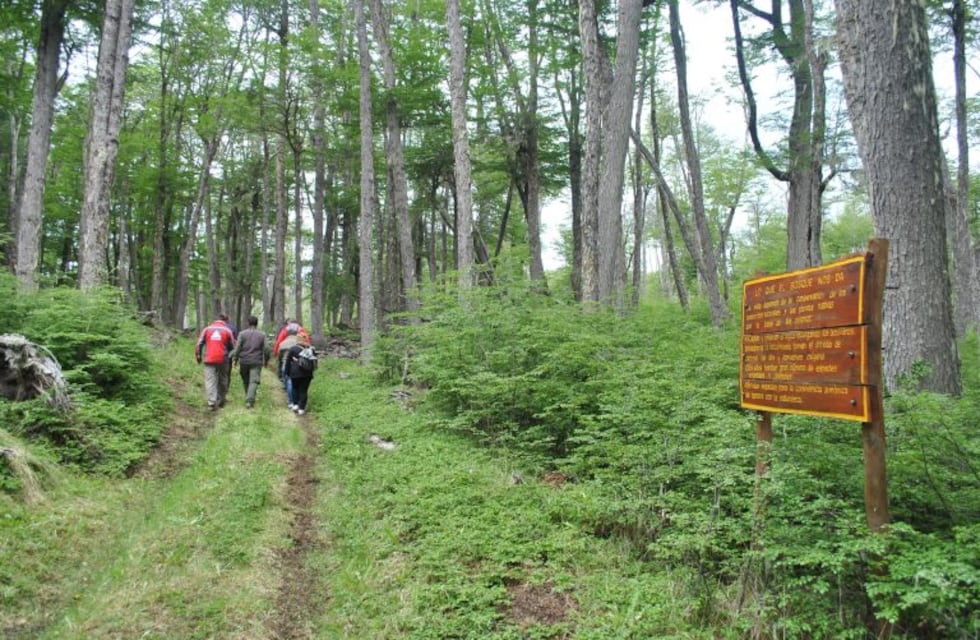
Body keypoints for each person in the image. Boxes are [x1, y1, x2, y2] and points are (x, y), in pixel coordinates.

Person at [195, 313, 236, 411]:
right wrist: (233, 358)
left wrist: (198, 355)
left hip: (209, 358)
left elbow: (199, 343)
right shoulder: (227, 330)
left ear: (215, 320)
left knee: (210, 380)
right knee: (223, 379)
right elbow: (234, 346)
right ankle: (221, 400)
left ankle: (211, 402)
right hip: (223, 359)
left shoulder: (207, 329)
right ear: (225, 321)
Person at [230, 315, 269, 408]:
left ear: (248, 323)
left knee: (246, 380)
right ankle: (250, 399)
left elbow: (238, 348)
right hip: (256, 361)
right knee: (254, 381)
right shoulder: (262, 335)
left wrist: (235, 359)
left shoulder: (242, 334)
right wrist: (266, 360)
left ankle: (249, 398)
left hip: (244, 360)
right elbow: (266, 349)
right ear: (257, 323)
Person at [285, 332, 316, 415]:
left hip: (295, 373)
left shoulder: (293, 349)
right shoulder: (311, 349)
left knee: (295, 388)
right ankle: (301, 408)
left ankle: (295, 404)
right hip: (307, 374)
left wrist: (287, 373)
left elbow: (288, 362)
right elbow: (314, 361)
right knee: (303, 390)